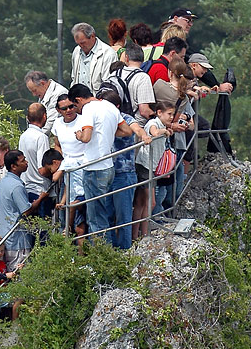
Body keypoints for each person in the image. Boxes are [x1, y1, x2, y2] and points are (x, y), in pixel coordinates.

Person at [67, 84, 149, 242]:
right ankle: (110, 252)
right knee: (105, 213)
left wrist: (78, 135)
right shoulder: (110, 107)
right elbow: (127, 131)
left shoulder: (88, 109)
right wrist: (107, 133)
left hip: (93, 167)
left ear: (78, 100)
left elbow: (86, 137)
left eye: (74, 106)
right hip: (109, 167)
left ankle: (102, 255)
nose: (75, 110)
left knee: (96, 217)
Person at [153, 57, 200, 207]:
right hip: (174, 143)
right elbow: (175, 121)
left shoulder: (158, 85)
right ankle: (167, 210)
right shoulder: (182, 97)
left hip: (156, 136)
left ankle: (156, 214)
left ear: (170, 72)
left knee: (157, 180)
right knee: (173, 181)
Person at [98, 89, 139, 250]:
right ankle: (109, 252)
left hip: (124, 173)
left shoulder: (127, 119)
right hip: (105, 173)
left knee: (123, 216)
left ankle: (124, 250)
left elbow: (134, 130)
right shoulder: (99, 121)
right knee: (106, 215)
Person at [0, 150, 49, 271]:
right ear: (13, 166)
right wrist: (41, 198)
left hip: (5, 234)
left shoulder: (5, 182)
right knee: (19, 272)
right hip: (17, 239)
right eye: (22, 161)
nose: (26, 163)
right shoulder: (16, 186)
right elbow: (26, 210)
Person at [132, 100, 177, 240]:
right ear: (159, 113)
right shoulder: (153, 123)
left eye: (173, 114)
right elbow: (154, 133)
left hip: (149, 166)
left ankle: (135, 235)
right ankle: (144, 234)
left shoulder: (161, 124)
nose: (171, 117)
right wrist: (164, 131)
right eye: (169, 114)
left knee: (141, 202)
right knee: (150, 202)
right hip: (145, 165)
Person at [50, 95, 88, 240]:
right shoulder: (58, 124)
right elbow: (57, 144)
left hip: (84, 165)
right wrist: (60, 163)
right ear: (59, 110)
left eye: (71, 106)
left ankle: (70, 229)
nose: (69, 110)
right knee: (65, 204)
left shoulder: (83, 119)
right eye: (64, 108)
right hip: (68, 167)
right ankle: (67, 232)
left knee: (80, 208)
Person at [18, 103, 53, 218]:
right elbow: (43, 168)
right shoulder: (41, 137)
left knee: (32, 229)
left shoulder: (23, 136)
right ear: (44, 116)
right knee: (44, 230)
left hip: (27, 188)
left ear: (28, 118)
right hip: (40, 190)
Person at [70, 22, 116, 94]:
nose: (81, 46)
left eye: (83, 43)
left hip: (98, 99)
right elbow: (74, 78)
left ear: (92, 36)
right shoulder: (76, 51)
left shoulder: (108, 53)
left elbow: (109, 83)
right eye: (78, 44)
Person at [24, 71, 68, 136]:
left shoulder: (59, 93)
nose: (34, 94)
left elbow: (50, 122)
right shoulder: (43, 93)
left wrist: (35, 137)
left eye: (34, 90)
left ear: (42, 83)